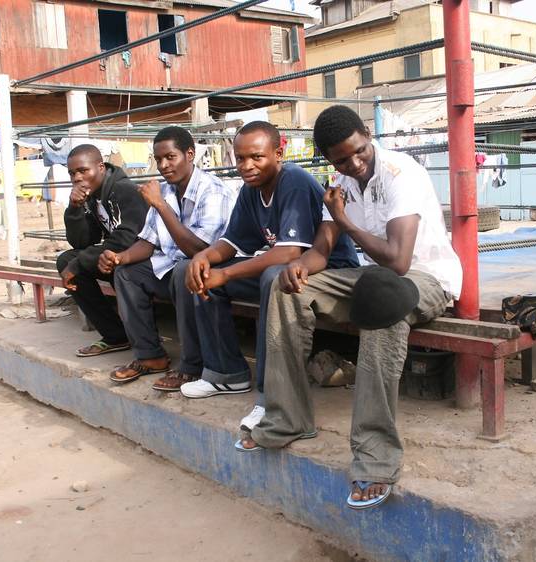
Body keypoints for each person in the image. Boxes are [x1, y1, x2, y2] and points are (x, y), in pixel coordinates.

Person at [243, 106, 463, 511]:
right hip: (372, 278)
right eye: (341, 160)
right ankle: (287, 417)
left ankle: (376, 456)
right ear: (329, 159)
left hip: (427, 278)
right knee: (283, 288)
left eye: (359, 152)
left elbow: (398, 261)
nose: (354, 164)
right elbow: (322, 251)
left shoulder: (402, 173)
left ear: (367, 133)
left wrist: (345, 220)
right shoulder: (341, 181)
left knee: (381, 300)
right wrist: (298, 267)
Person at [180, 121, 358, 435]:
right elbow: (234, 241)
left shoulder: (294, 181)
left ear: (278, 153)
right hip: (291, 266)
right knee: (197, 271)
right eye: (240, 158)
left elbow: (290, 253)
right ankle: (226, 372)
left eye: (257, 157)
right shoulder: (251, 190)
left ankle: (269, 394)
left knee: (273, 277)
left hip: (329, 268)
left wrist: (226, 273)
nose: (247, 166)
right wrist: (204, 258)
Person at [96, 127, 236, 385]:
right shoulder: (166, 190)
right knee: (127, 273)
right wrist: (120, 257)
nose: (163, 165)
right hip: (175, 269)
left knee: (186, 268)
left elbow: (199, 251)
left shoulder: (212, 191)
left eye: (170, 157)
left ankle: (193, 364)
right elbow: (148, 242)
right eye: (158, 159)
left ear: (190, 154)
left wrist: (160, 205)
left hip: (212, 270)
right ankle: (150, 356)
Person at [57, 144, 148, 357]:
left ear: (100, 167)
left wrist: (80, 263)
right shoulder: (92, 196)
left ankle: (142, 340)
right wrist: (74, 209)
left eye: (83, 170)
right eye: (72, 173)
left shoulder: (125, 190)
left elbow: (129, 237)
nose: (77, 178)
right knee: (66, 260)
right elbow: (81, 242)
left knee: (79, 264)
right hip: (115, 255)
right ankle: (115, 335)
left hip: (141, 256)